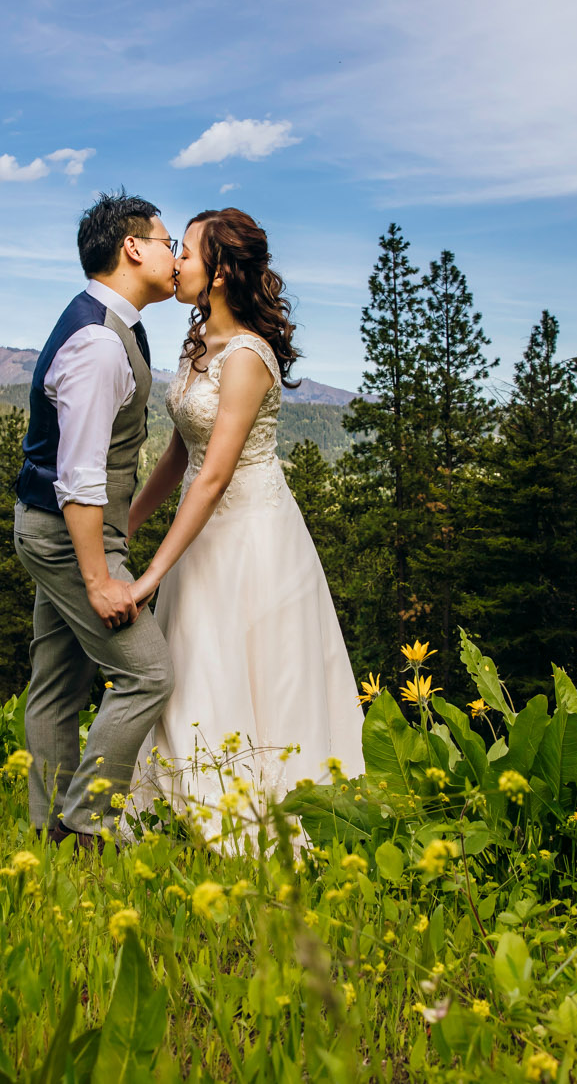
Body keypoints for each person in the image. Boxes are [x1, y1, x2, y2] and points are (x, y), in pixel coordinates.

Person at [126, 208, 365, 850]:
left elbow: (215, 475)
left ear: (222, 272)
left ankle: (261, 817)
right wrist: (126, 523)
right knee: (195, 660)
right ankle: (183, 808)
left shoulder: (250, 355)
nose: (176, 262)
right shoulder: (196, 344)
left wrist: (153, 571)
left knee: (255, 668)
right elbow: (179, 459)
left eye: (189, 253)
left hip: (252, 532)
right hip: (200, 528)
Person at [15, 190, 179, 851]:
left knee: (58, 682)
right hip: (66, 537)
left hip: (60, 531)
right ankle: (87, 825)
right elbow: (78, 475)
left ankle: (48, 831)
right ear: (133, 247)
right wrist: (100, 578)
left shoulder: (114, 325)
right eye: (168, 241)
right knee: (148, 673)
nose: (176, 255)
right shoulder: (98, 343)